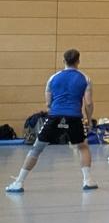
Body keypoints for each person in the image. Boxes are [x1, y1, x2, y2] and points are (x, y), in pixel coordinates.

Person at [8, 49, 98, 193]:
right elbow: (88, 103)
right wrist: (89, 119)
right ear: (78, 61)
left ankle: (19, 182)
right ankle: (88, 180)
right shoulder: (85, 79)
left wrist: (53, 110)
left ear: (63, 61)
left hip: (55, 116)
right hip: (75, 117)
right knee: (83, 147)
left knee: (36, 148)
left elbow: (48, 102)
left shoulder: (53, 78)